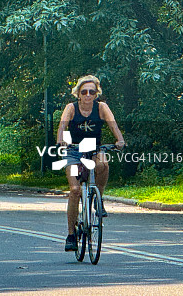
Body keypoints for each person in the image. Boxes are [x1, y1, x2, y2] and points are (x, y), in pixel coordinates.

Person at [57, 74, 125, 252]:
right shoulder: (71, 108)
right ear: (78, 93)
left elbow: (113, 125)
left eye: (91, 92)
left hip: (95, 149)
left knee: (103, 164)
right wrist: (61, 140)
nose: (88, 95)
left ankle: (98, 200)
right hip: (74, 151)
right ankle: (71, 235)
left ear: (96, 94)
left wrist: (120, 140)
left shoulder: (101, 107)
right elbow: (62, 126)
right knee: (75, 190)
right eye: (84, 91)